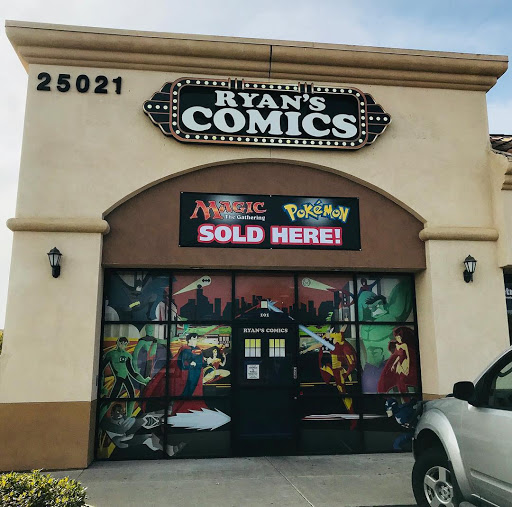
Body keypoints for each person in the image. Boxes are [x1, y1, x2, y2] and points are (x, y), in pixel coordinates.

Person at [378, 327, 418, 393]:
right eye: (397, 337)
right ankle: (403, 394)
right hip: (399, 363)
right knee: (399, 379)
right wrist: (393, 365)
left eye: (399, 337)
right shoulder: (397, 345)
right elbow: (397, 356)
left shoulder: (405, 345)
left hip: (404, 362)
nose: (398, 339)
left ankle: (405, 395)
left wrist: (407, 366)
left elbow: (408, 356)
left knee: (402, 379)